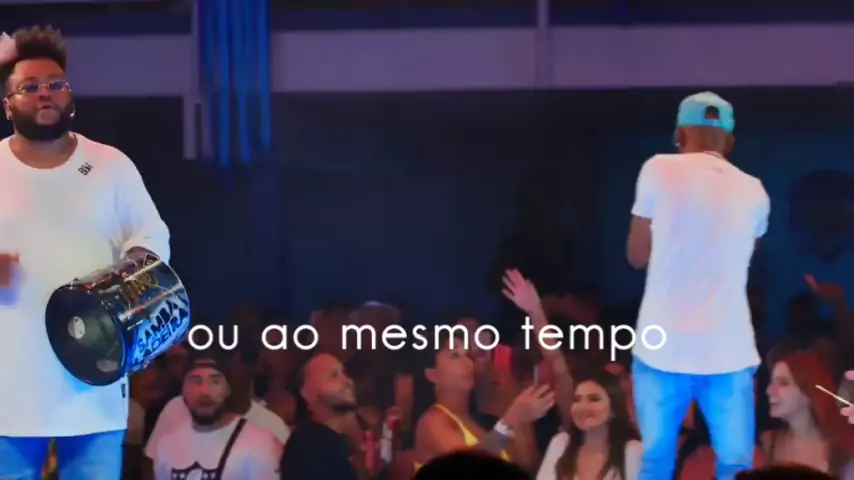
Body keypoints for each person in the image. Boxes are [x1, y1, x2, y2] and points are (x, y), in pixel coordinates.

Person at [0, 25, 170, 479]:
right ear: (7, 103)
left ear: (70, 95)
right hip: (7, 393)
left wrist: (123, 288)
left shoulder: (111, 165)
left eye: (56, 84)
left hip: (94, 384)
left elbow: (153, 240)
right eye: (29, 87)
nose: (45, 93)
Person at [625, 91, 770, 479]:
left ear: (680, 135)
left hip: (662, 347)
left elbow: (636, 255)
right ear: (730, 141)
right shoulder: (755, 190)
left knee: (655, 461)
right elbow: (745, 252)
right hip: (729, 349)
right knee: (736, 466)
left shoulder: (657, 168)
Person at [412, 326, 555, 471]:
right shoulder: (431, 421)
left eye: (467, 354)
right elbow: (465, 467)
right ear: (432, 374)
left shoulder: (485, 419)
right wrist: (510, 421)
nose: (468, 363)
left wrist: (518, 412)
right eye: (455, 355)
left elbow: (527, 463)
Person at [148, 350, 282, 479]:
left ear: (228, 389)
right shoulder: (166, 445)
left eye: (215, 381)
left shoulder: (260, 443)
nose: (205, 392)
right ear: (183, 388)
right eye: (195, 381)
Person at [761, 351, 854, 476]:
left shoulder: (842, 447)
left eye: (783, 383)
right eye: (771, 382)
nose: (769, 390)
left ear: (808, 392)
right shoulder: (769, 443)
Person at [537, 370, 641, 480]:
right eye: (577, 400)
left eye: (594, 399)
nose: (582, 407)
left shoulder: (632, 451)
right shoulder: (560, 443)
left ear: (614, 409)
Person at [279, 352, 361, 480]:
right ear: (309, 394)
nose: (347, 381)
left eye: (344, 374)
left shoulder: (336, 443)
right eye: (333, 376)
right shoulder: (307, 446)